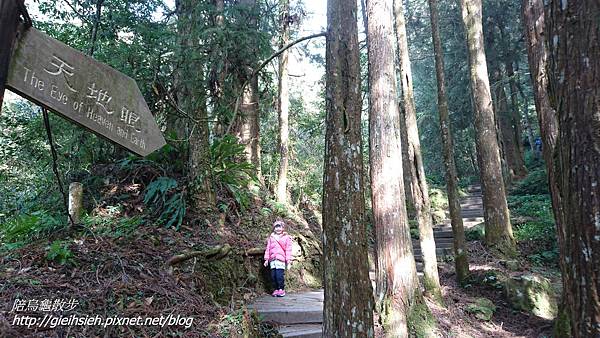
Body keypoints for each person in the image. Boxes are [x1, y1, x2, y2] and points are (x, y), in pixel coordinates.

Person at [263, 220, 293, 297]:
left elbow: (288, 250)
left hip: (281, 260)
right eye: (276, 227)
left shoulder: (286, 238)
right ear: (274, 228)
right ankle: (276, 289)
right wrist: (266, 259)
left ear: (283, 228)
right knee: (273, 276)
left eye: (280, 227)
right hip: (272, 260)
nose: (278, 229)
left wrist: (288, 262)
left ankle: (281, 289)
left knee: (279, 276)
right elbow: (268, 248)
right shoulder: (271, 237)